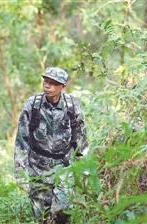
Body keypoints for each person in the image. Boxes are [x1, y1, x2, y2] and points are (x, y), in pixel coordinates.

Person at [14, 67, 89, 223]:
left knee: (63, 211)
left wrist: (84, 171)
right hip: (38, 170)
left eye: (53, 83)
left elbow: (81, 139)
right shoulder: (32, 105)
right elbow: (22, 141)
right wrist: (21, 173)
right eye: (46, 82)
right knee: (42, 217)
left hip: (64, 168)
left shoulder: (73, 106)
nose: (47, 86)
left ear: (63, 87)